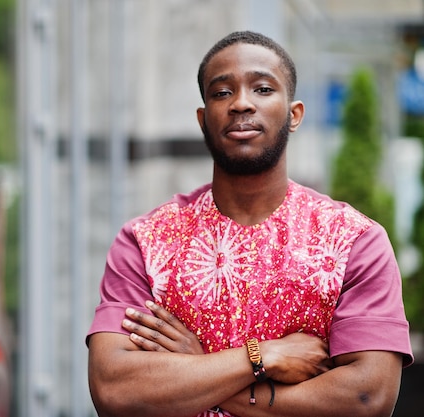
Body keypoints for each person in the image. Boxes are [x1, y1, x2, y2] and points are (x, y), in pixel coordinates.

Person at [86, 31, 414, 417]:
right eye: (222, 93)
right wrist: (261, 358)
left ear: (294, 115)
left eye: (262, 88)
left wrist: (199, 367)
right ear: (203, 119)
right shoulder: (145, 242)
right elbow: (114, 388)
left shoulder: (355, 241)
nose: (241, 103)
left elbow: (367, 398)